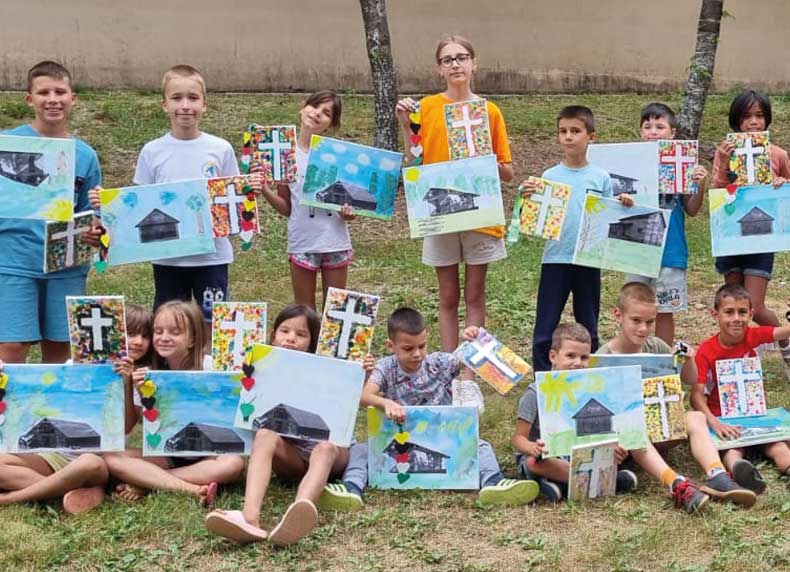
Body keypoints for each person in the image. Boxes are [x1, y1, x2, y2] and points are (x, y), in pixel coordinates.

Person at [206, 304, 366, 545]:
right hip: (290, 458)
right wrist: (241, 382)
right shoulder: (259, 368)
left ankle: (298, 512)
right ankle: (250, 518)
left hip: (330, 456)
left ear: (312, 342)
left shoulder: (327, 368)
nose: (291, 338)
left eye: (301, 334)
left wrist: (361, 371)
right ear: (273, 335)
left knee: (325, 447)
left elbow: (351, 397)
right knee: (265, 433)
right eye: (285, 331)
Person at [394, 35, 514, 352]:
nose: (455, 64)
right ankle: (448, 364)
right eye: (448, 60)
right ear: (439, 69)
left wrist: (482, 158)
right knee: (447, 296)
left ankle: (468, 372)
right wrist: (407, 126)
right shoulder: (426, 108)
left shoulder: (489, 112)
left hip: (479, 215)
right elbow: (414, 160)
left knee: (474, 295)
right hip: (439, 214)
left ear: (474, 63)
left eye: (461, 57)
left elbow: (507, 171)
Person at [360, 307, 539, 506]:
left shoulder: (438, 362)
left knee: (481, 446)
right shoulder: (385, 367)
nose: (417, 354)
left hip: (443, 436)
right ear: (390, 346)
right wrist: (386, 403)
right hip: (402, 438)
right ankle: (353, 485)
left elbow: (473, 357)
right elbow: (364, 396)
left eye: (422, 346)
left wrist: (474, 339)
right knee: (361, 450)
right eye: (408, 349)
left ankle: (493, 483)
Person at [598, 282, 756, 506]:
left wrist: (688, 360)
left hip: (663, 427)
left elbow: (690, 379)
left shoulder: (657, 346)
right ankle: (676, 483)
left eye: (650, 322)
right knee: (634, 429)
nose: (643, 328)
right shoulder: (602, 357)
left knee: (696, 417)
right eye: (636, 321)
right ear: (618, 315)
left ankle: (718, 475)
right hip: (629, 440)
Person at [133, 64, 260, 343]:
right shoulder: (152, 151)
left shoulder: (220, 148)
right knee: (169, 325)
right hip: (169, 257)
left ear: (205, 104)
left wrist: (250, 193)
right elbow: (140, 205)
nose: (185, 105)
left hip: (212, 256)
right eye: (177, 98)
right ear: (164, 104)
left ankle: (208, 373)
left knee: (211, 324)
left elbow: (235, 200)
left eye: (193, 98)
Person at [0, 60, 102, 364]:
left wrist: (97, 229)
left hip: (66, 265)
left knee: (61, 352)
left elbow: (91, 214)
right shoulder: (7, 145)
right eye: (44, 92)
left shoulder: (85, 156)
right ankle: (9, 413)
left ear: (73, 98)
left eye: (60, 91)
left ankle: (52, 412)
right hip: (13, 261)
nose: (53, 99)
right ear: (30, 99)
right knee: (11, 349)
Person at [104, 300, 244, 504]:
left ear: (192, 339)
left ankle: (149, 481)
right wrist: (138, 391)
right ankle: (191, 488)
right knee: (112, 458)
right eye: (158, 332)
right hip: (167, 452)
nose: (164, 338)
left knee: (233, 464)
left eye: (175, 332)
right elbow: (149, 426)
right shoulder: (147, 374)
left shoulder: (211, 367)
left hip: (209, 454)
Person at [527, 105, 633, 372]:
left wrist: (623, 203)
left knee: (589, 323)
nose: (568, 137)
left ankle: (588, 376)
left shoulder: (601, 177)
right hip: (555, 258)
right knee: (545, 326)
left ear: (591, 137)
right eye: (563, 131)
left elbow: (608, 217)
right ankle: (543, 381)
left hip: (588, 260)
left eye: (576, 131)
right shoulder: (549, 177)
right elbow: (535, 219)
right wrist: (527, 198)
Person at [711, 90, 790, 375]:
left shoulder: (778, 154)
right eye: (746, 117)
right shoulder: (727, 151)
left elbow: (787, 195)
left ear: (767, 119)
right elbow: (717, 194)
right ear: (736, 121)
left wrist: (782, 183)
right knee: (733, 303)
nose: (753, 122)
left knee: (753, 304)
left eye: (759, 116)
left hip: (761, 236)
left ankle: (785, 340)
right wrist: (721, 162)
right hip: (731, 237)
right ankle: (739, 360)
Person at [512, 323, 638, 503]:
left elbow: (596, 432)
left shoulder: (590, 390)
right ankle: (606, 482)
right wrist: (533, 448)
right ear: (553, 356)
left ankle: (561, 485)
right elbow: (518, 439)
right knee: (534, 463)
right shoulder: (535, 393)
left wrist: (614, 448)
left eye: (584, 357)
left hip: (577, 454)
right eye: (570, 355)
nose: (578, 363)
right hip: (542, 456)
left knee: (601, 455)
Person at [258, 91, 356, 309]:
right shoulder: (285, 155)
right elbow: (286, 207)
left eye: (326, 113)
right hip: (302, 241)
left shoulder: (338, 157)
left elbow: (349, 200)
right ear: (303, 107)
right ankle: (307, 345)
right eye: (314, 106)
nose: (317, 114)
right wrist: (264, 189)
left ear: (331, 124)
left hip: (334, 241)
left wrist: (348, 212)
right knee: (304, 311)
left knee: (336, 311)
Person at [692, 283, 790, 493]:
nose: (736, 318)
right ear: (714, 314)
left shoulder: (753, 337)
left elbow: (785, 332)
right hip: (723, 419)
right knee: (733, 449)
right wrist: (715, 423)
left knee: (779, 446)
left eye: (742, 312)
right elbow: (696, 396)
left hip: (755, 416)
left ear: (751, 314)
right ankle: (741, 472)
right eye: (729, 312)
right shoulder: (706, 351)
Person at [625, 103, 708, 344]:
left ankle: (663, 364)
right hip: (636, 248)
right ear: (640, 132)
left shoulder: (680, 163)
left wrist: (699, 184)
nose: (652, 131)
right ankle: (636, 358)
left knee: (664, 311)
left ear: (672, 133)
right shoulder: (629, 164)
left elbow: (692, 209)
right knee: (634, 308)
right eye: (647, 126)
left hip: (670, 252)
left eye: (660, 126)